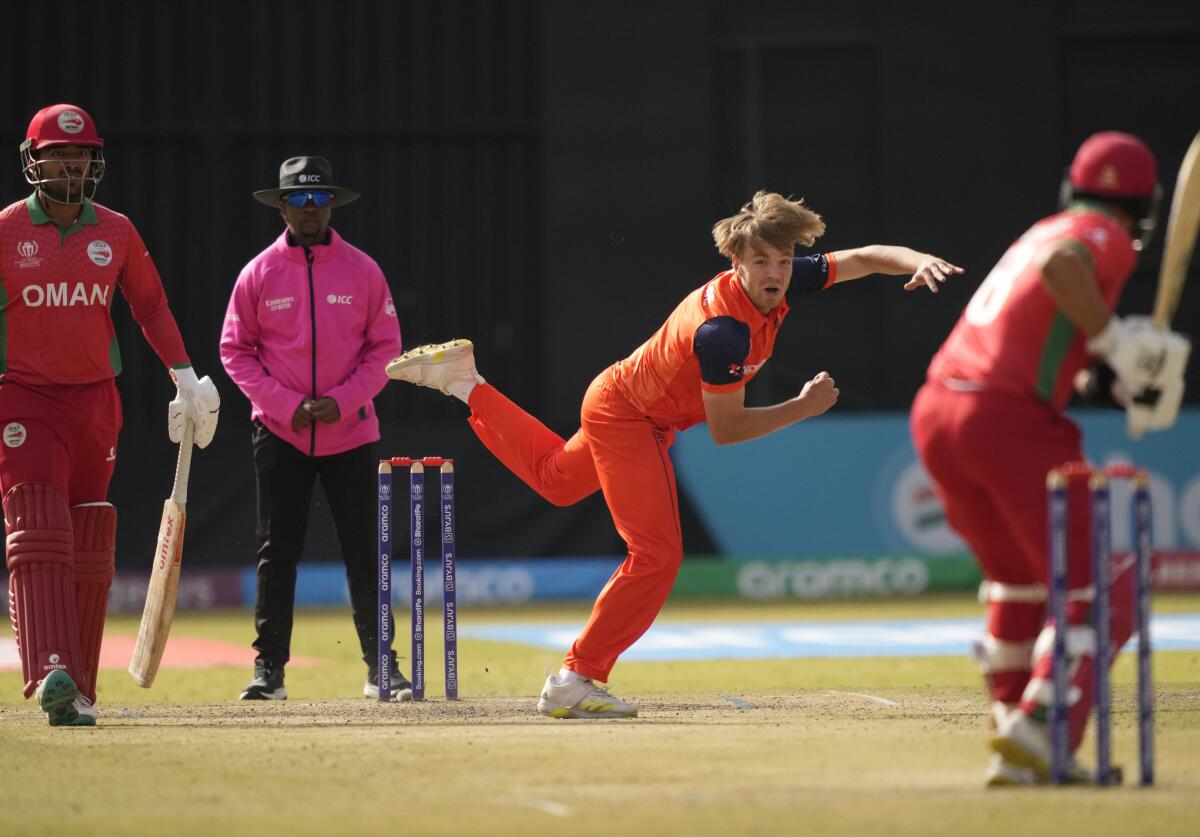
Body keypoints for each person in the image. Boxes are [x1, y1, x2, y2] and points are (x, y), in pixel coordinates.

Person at [388, 191, 962, 718]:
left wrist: (917, 261)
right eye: (762, 262)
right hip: (630, 417)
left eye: (784, 262)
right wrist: (803, 408)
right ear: (736, 261)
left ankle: (464, 383)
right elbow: (728, 430)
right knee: (658, 555)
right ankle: (575, 678)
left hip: (624, 401)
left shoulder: (782, 281)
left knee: (557, 482)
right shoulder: (723, 333)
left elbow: (862, 258)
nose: (776, 274)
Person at [909, 132, 1189, 785]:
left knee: (1020, 580)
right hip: (1006, 419)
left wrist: (1111, 375)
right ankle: (1044, 726)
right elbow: (1065, 268)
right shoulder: (1100, 235)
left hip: (939, 410)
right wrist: (1118, 340)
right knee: (1107, 577)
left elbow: (1048, 333)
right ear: (1141, 204)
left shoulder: (1043, 226)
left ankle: (1014, 726)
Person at [1, 104, 220, 726]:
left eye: (80, 155)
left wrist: (185, 378)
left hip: (97, 402)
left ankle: (80, 688)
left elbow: (150, 306)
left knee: (89, 535)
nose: (70, 165)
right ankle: (50, 668)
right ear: (33, 161)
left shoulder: (116, 232)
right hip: (24, 397)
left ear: (94, 160)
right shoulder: (7, 231)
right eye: (57, 155)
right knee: (39, 525)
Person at [220, 156, 407, 701]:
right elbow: (234, 351)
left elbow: (386, 350)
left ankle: (381, 668)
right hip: (281, 433)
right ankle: (268, 670)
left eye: (318, 199)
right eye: (298, 200)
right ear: (281, 206)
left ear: (331, 205)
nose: (309, 209)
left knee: (364, 552)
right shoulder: (258, 273)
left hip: (352, 432)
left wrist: (344, 402)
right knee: (277, 556)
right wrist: (285, 406)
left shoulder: (363, 271)